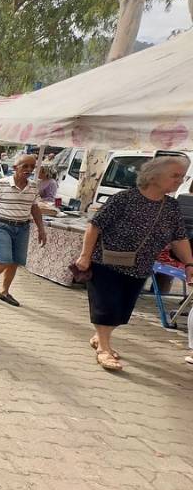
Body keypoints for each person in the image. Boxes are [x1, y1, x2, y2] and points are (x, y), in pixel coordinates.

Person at [75, 156, 193, 370]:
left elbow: (179, 238)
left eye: (182, 176)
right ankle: (103, 348)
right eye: (175, 175)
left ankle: (99, 337)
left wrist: (189, 264)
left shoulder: (171, 207)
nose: (179, 180)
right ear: (154, 176)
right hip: (107, 262)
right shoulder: (124, 198)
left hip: (140, 267)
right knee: (106, 305)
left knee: (121, 311)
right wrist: (85, 256)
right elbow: (95, 226)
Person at [0, 155, 48, 306]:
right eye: (25, 166)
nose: (29, 170)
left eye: (32, 167)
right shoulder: (2, 183)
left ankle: (4, 292)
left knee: (15, 262)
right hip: (2, 225)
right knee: (4, 261)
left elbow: (34, 208)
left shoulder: (33, 186)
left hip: (23, 227)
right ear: (15, 168)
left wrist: (41, 229)